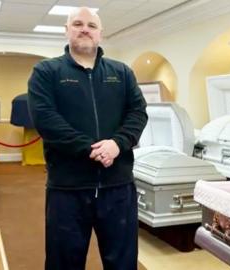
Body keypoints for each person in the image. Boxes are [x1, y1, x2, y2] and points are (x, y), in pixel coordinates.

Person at [27, 7, 148, 270]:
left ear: (100, 34)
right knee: (64, 263)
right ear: (66, 30)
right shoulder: (47, 72)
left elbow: (138, 113)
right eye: (78, 24)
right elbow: (46, 120)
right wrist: (90, 149)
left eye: (91, 25)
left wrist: (117, 144)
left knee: (123, 263)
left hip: (118, 187)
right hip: (67, 189)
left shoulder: (122, 72)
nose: (85, 29)